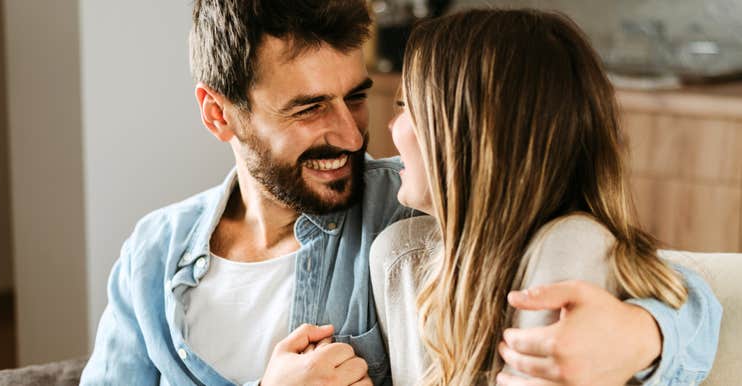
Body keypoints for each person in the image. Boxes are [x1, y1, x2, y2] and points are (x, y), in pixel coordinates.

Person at [80, 2, 720, 385]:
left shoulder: (417, 206)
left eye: (356, 96)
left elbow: (674, 286)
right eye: (308, 108)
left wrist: (645, 336)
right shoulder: (153, 256)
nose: (351, 135)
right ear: (219, 115)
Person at [370, 8, 722, 386]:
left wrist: (646, 331)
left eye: (406, 106)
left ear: (473, 135)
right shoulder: (403, 254)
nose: (388, 129)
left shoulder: (570, 249)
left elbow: (690, 297)